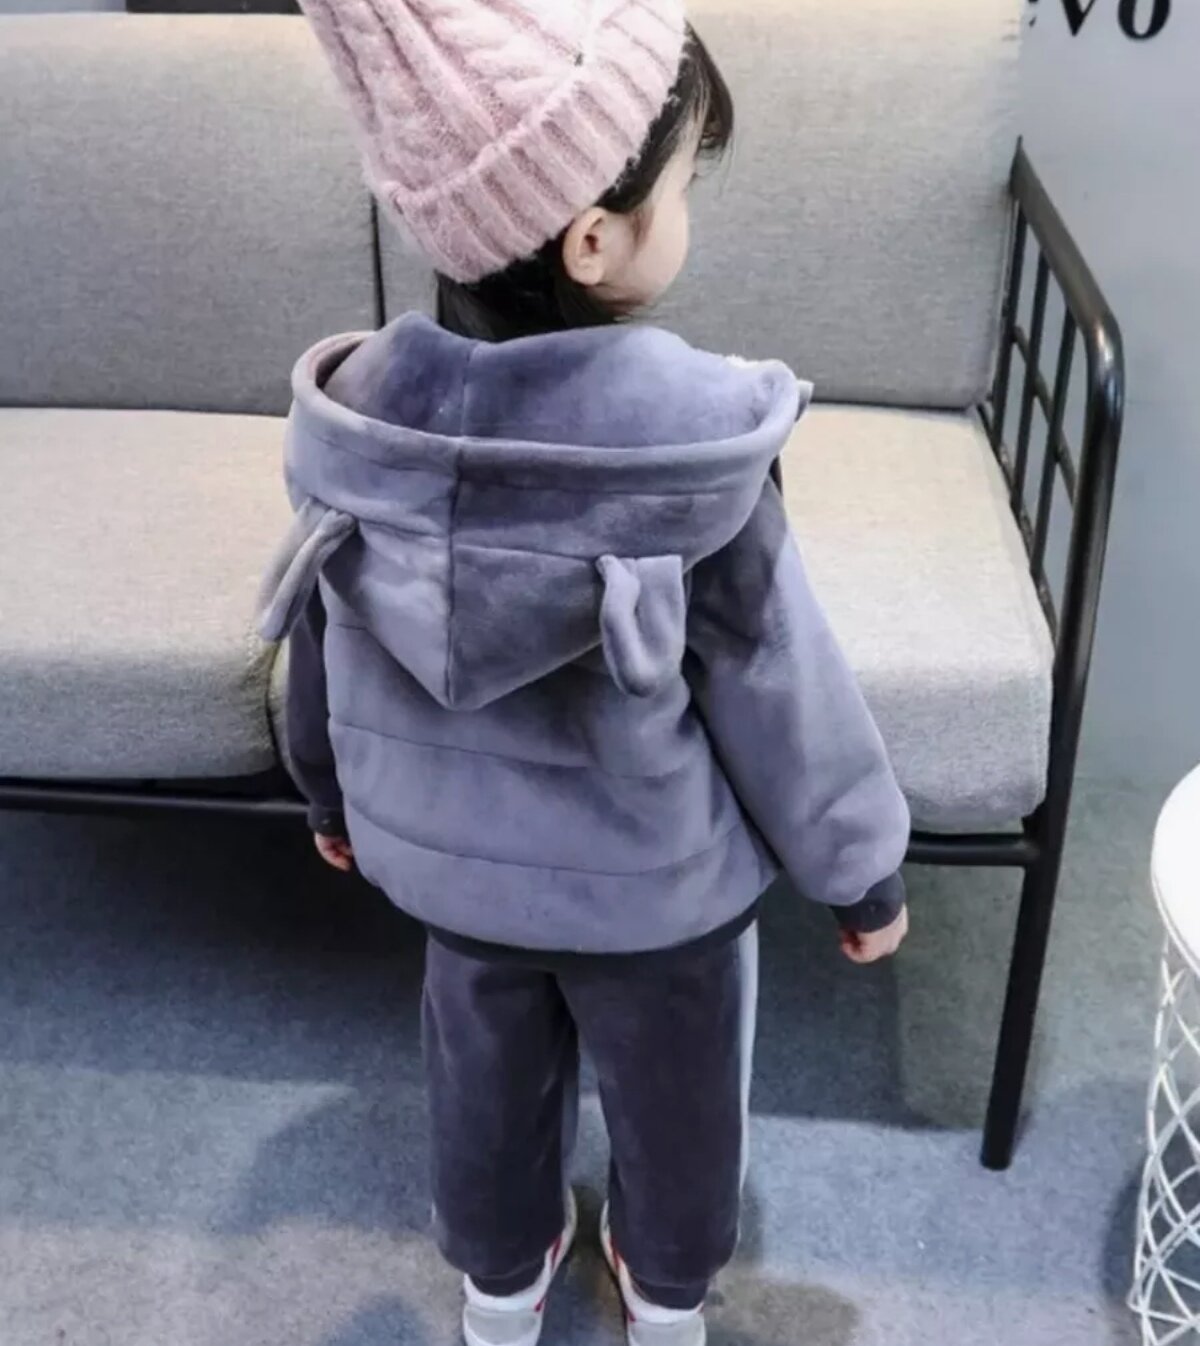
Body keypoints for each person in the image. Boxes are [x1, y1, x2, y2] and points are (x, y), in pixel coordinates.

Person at [259, 3, 912, 1343]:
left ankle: (500, 1285)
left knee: (483, 1081)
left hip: (458, 880)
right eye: (681, 191)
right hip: (656, 894)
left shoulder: (369, 422)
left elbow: (321, 632)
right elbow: (778, 680)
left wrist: (326, 792)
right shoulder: (690, 447)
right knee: (679, 1096)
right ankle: (665, 1295)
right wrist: (861, 871)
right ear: (594, 240)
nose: (689, 216)